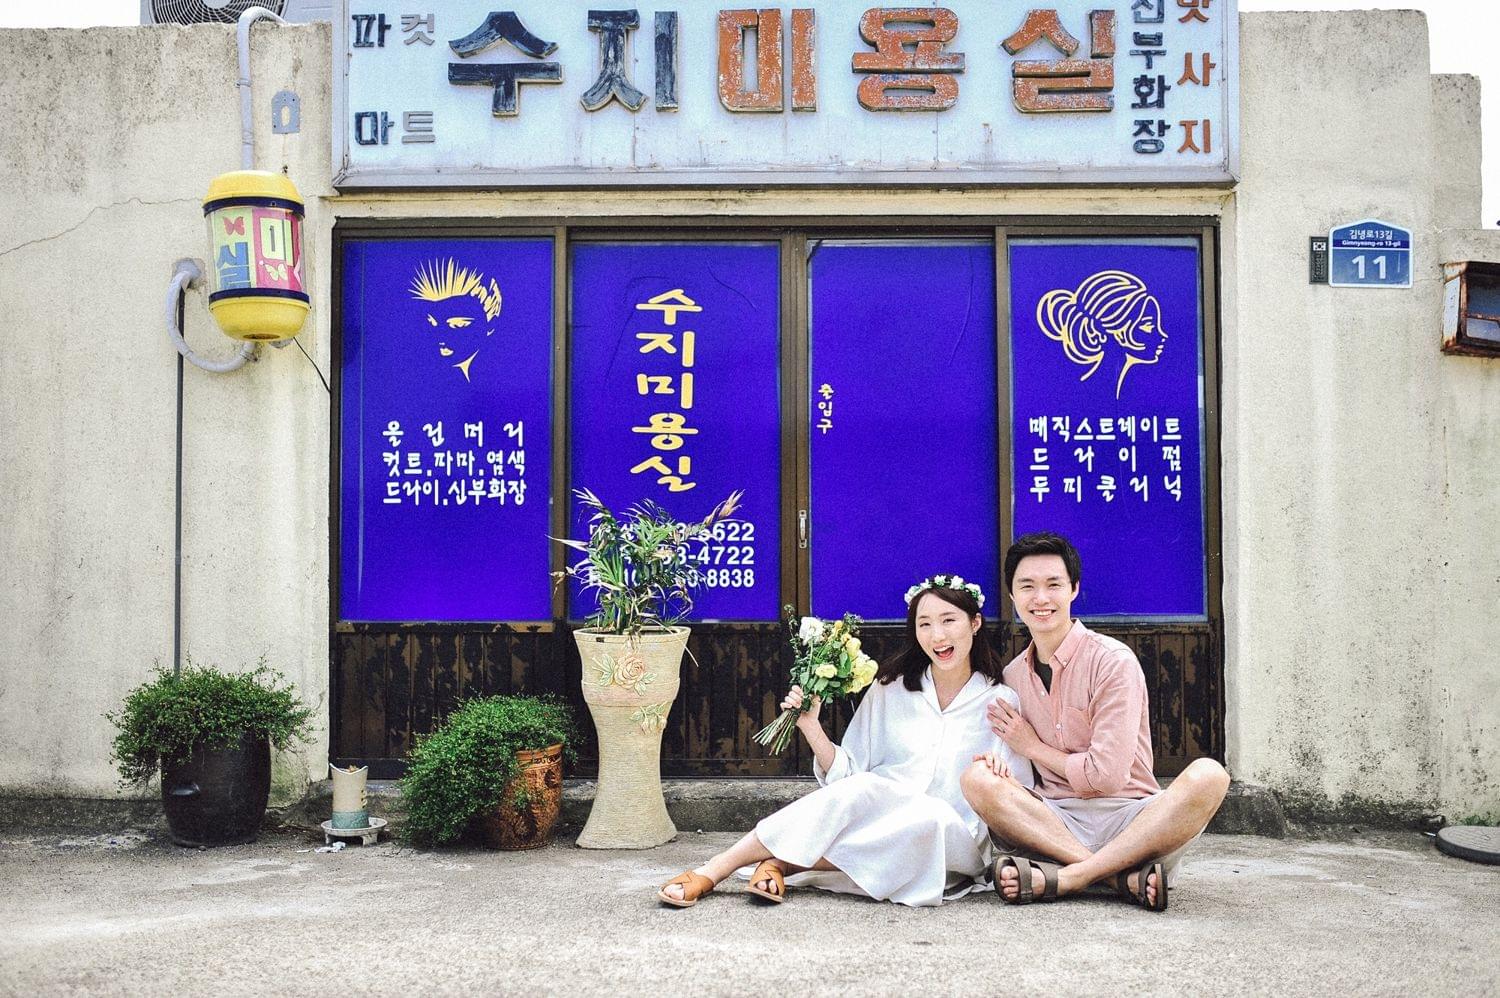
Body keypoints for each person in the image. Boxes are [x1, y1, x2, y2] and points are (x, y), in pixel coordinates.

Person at [657, 575, 1032, 908]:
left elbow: (1018, 800)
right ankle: (715, 868)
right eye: (925, 624)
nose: (938, 635)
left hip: (951, 839)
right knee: (866, 786)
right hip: (879, 822)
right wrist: (811, 727)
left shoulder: (1000, 701)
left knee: (928, 819)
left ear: (975, 623)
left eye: (949, 620)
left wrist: (1001, 777)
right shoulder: (890, 689)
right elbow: (847, 779)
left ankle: (782, 862)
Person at [960, 531, 1229, 911]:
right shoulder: (1013, 676)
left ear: (1074, 589)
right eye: (1027, 586)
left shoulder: (1113, 662)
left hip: (1133, 822)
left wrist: (1033, 747)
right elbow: (1011, 764)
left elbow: (1107, 776)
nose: (1040, 598)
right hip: (1053, 824)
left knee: (1210, 775)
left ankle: (1070, 876)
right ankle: (1118, 878)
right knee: (976, 778)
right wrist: (996, 761)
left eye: (1053, 585)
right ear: (1012, 596)